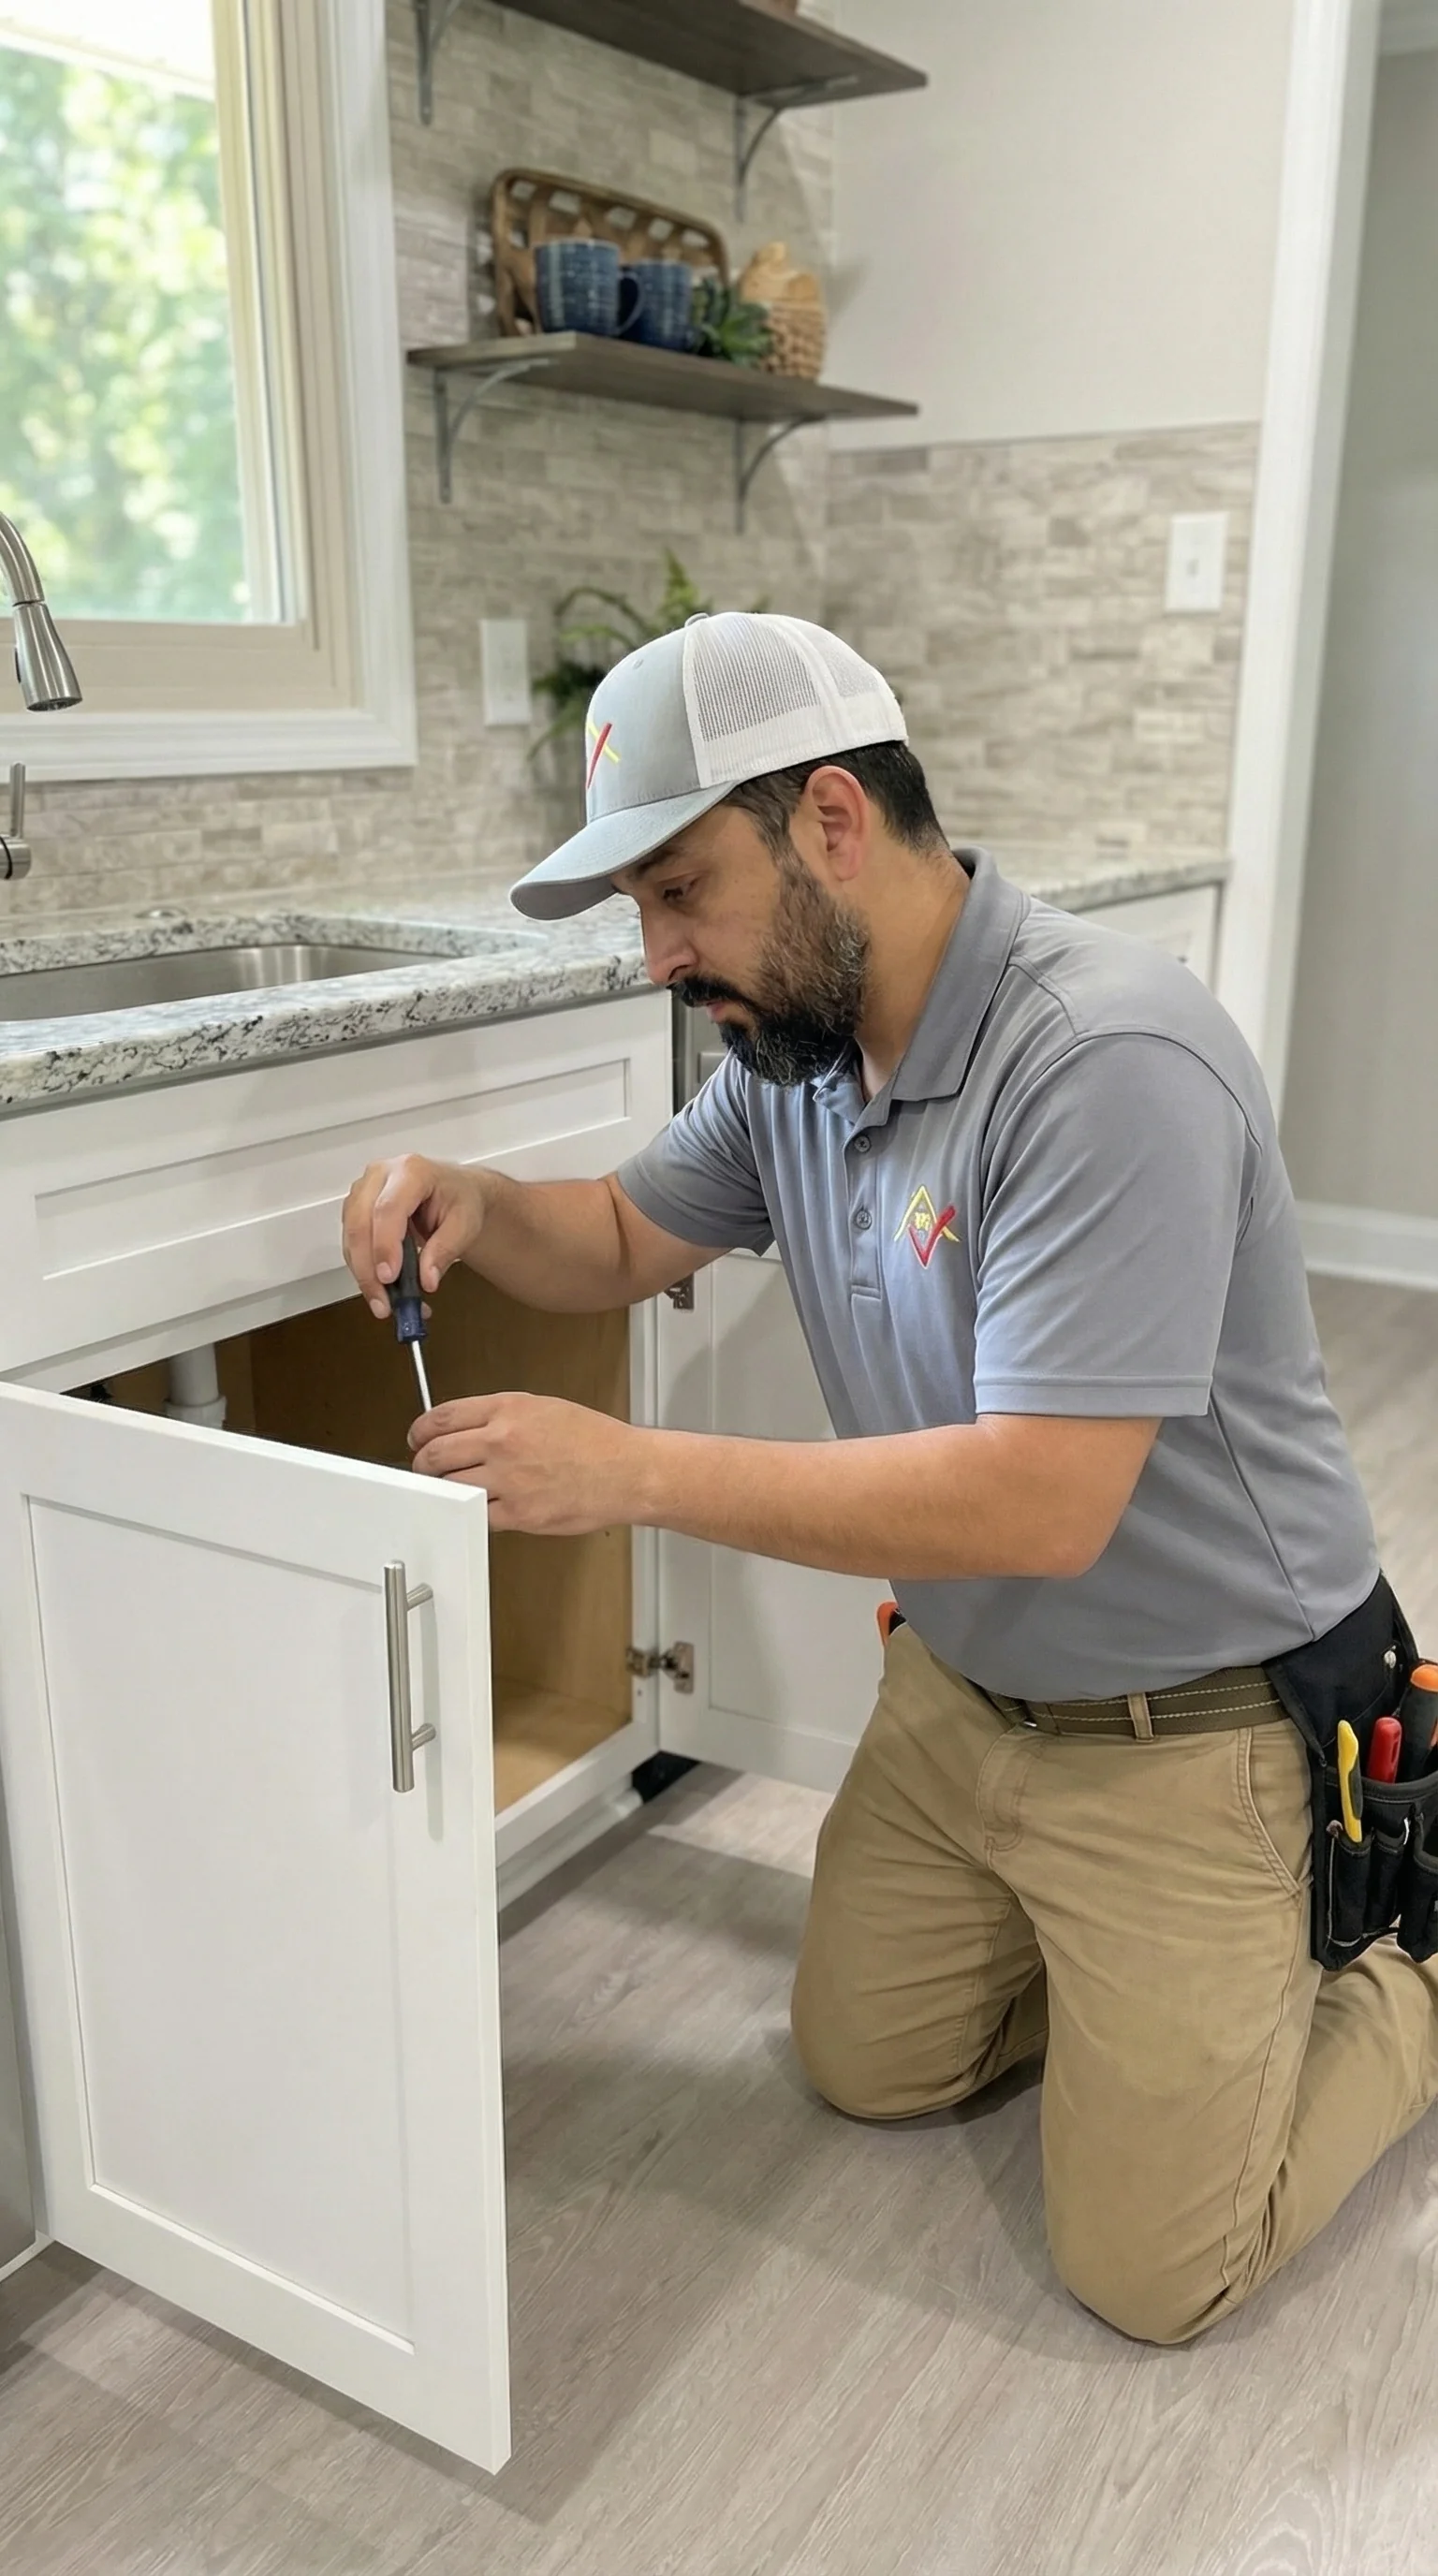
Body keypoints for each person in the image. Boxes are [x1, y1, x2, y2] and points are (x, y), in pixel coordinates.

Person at [342, 611, 1438, 2344]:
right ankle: (1164, 2007)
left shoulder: (1101, 1063)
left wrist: (631, 1471)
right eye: (638, 910)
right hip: (962, 1692)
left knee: (1155, 2275)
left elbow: (1038, 1505)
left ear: (832, 824)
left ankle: (1398, 1970)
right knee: (866, 2068)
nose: (653, 957)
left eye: (679, 893)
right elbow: (626, 1230)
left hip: (1202, 1721)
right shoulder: (794, 1052)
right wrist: (473, 1197)